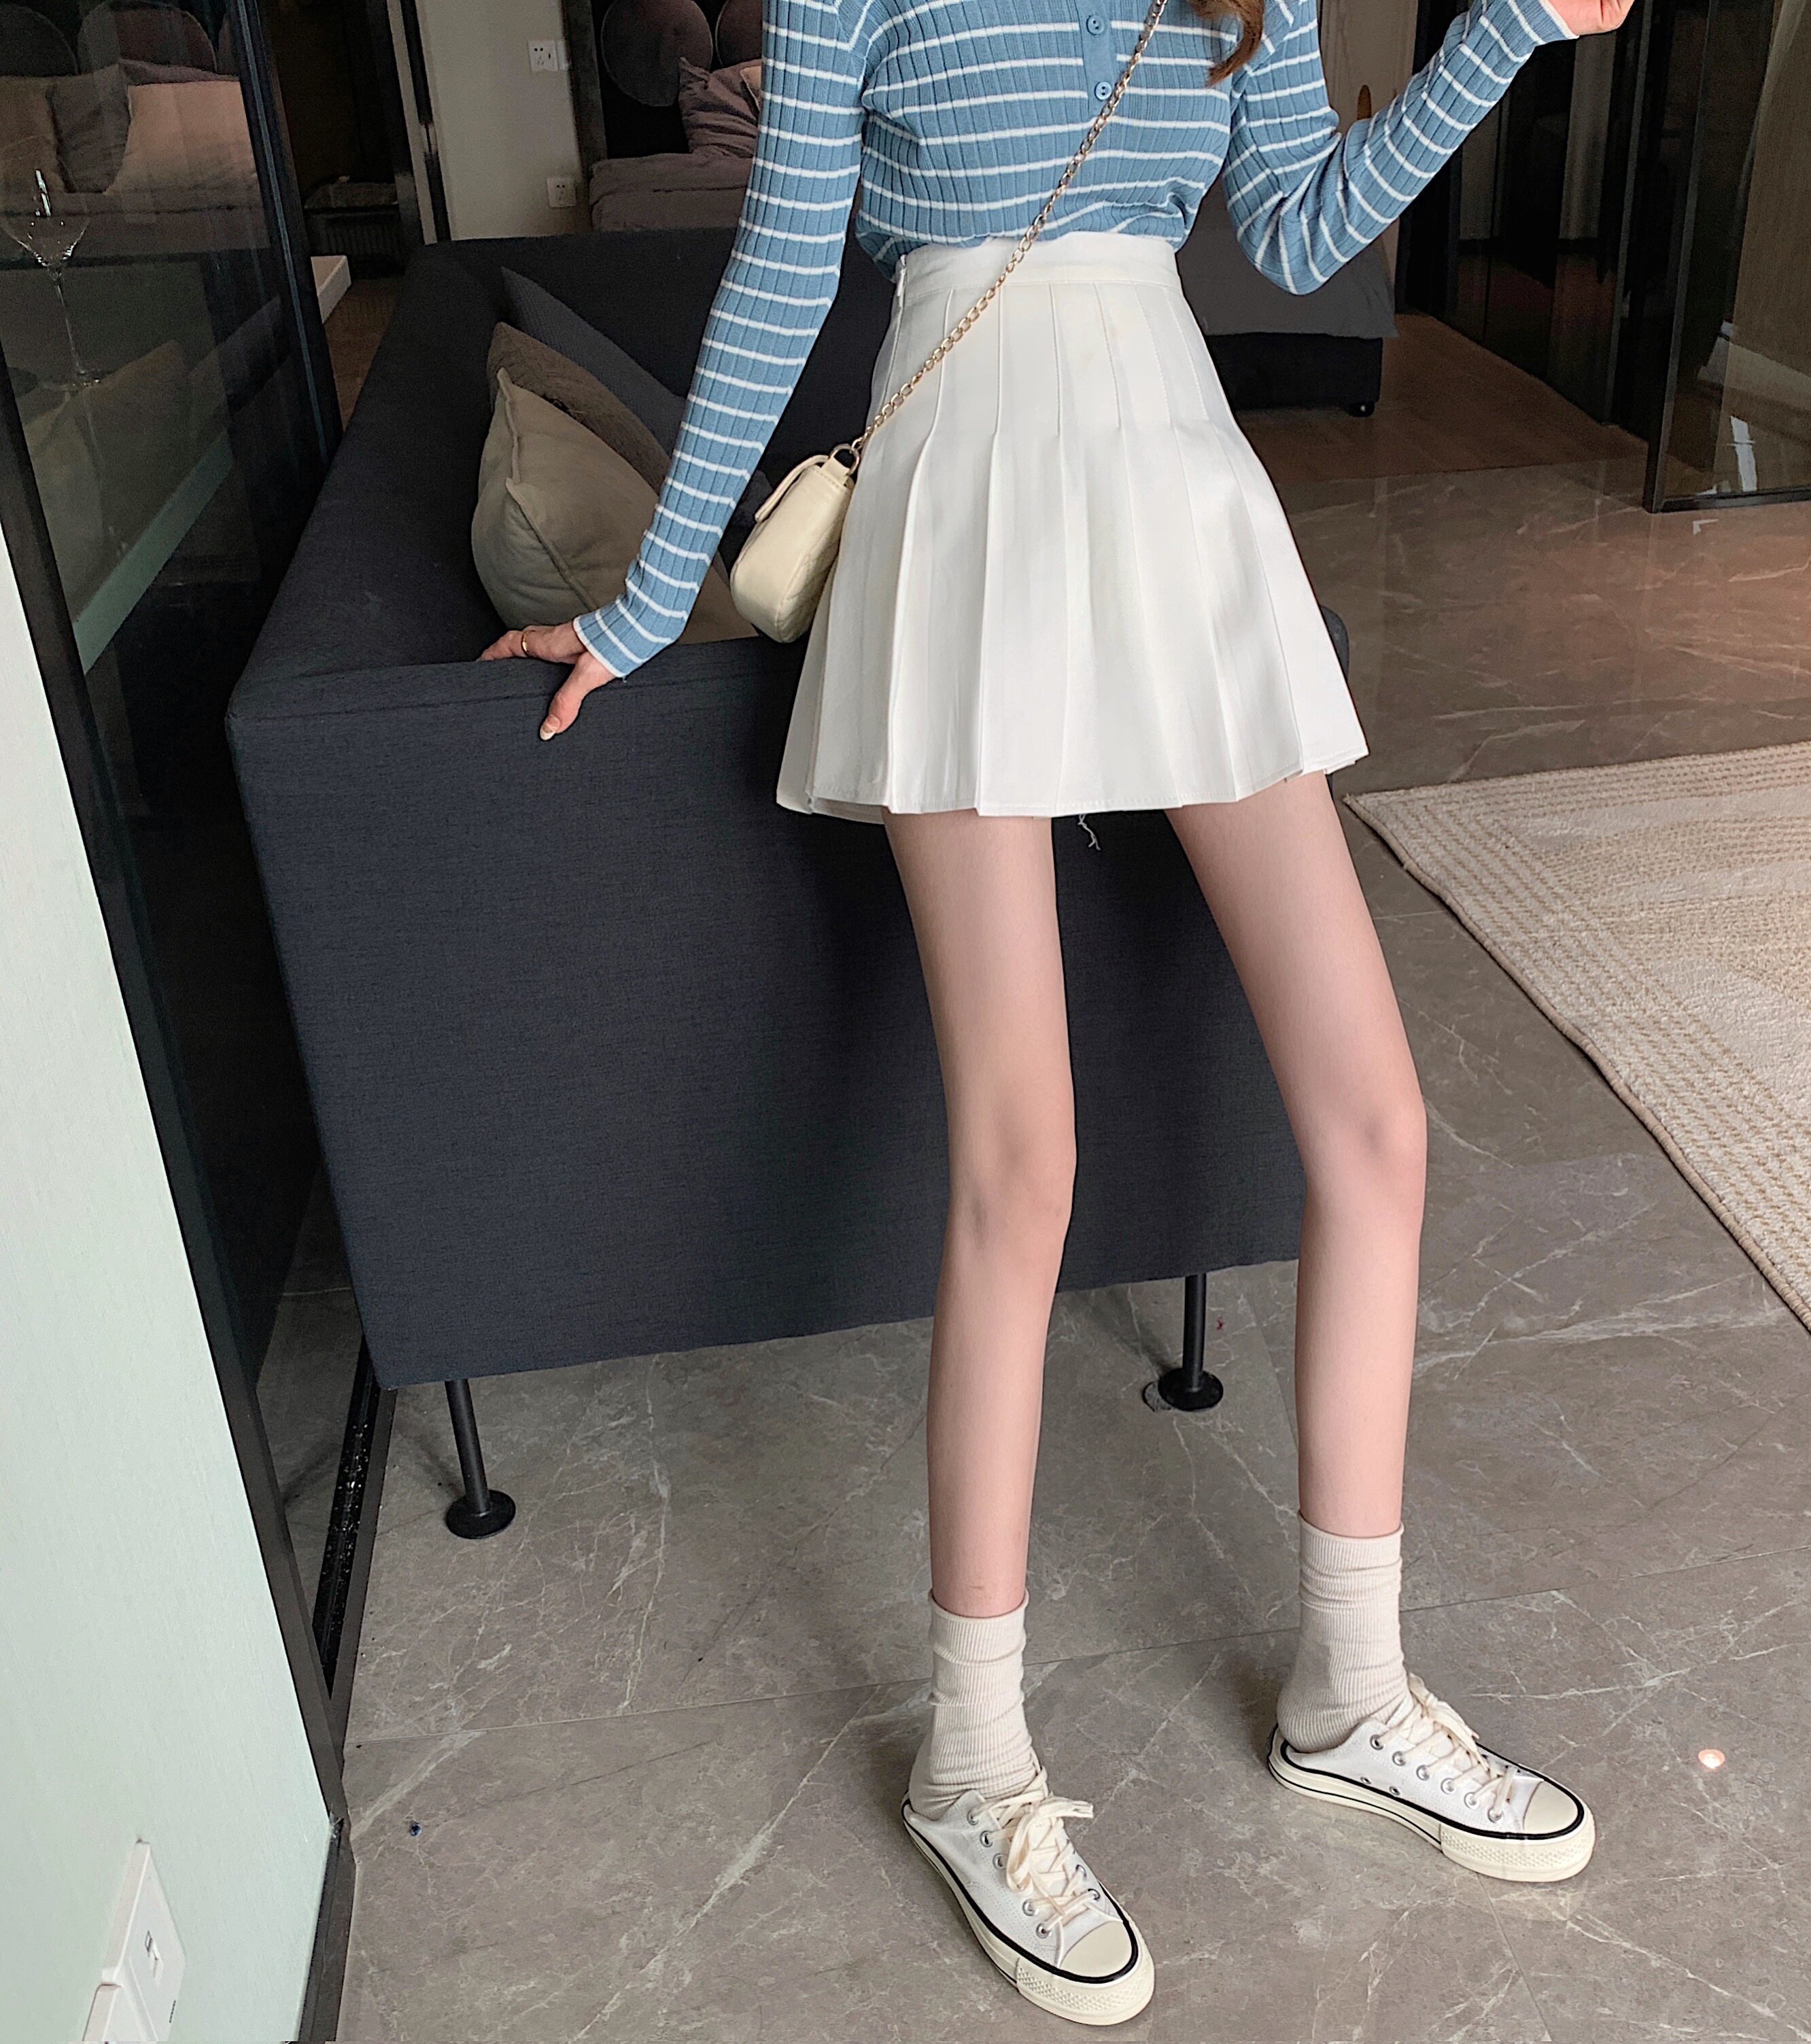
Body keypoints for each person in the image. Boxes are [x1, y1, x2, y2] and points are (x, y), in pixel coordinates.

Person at [485, 0, 1630, 2022]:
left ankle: (1354, 1688)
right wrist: (654, 607)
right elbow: (782, 273)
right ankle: (972, 1759)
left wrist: (1511, 31)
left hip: (1181, 498)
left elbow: (1298, 227)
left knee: (1377, 1124)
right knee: (1027, 1166)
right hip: (968, 514)